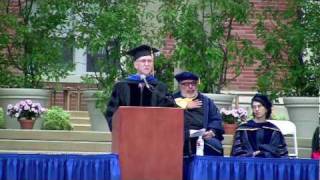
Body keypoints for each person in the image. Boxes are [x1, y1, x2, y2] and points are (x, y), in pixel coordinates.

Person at [104, 45, 173, 131]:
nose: (147, 64)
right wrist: (118, 129)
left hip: (154, 135)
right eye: (143, 61)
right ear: (135, 65)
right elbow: (111, 112)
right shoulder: (122, 86)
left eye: (149, 61)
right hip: (127, 135)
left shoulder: (160, 87)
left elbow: (166, 112)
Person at [173, 71, 224, 156]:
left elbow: (216, 119)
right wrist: (184, 106)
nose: (190, 87)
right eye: (186, 84)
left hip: (202, 138)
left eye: (193, 83)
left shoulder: (207, 102)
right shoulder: (172, 100)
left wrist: (212, 131)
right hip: (179, 138)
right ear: (180, 85)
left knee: (215, 146)